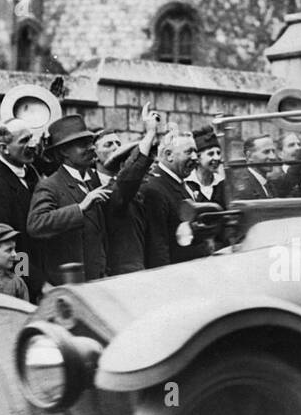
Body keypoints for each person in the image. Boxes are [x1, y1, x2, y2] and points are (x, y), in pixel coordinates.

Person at [27, 114, 113, 283]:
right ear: (63, 151)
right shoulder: (50, 185)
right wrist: (80, 208)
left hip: (98, 280)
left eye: (90, 143)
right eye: (82, 144)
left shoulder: (91, 181)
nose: (91, 148)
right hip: (70, 282)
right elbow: (35, 224)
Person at [0, 118, 44, 299]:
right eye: (24, 141)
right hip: (26, 284)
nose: (32, 145)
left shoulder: (31, 173)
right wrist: (37, 283)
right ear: (3, 148)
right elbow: (9, 247)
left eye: (31, 138)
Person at [102, 107, 161, 275]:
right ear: (124, 166)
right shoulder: (114, 193)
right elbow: (130, 176)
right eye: (144, 165)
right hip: (124, 278)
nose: (148, 168)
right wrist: (150, 133)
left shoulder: (140, 195)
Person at [141, 128, 207, 267]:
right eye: (189, 152)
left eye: (196, 152)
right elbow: (158, 248)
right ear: (169, 155)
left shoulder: (183, 183)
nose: (195, 157)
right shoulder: (154, 188)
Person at [186, 125, 226, 206]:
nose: (217, 157)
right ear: (197, 157)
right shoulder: (186, 184)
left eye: (218, 153)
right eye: (211, 154)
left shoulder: (223, 184)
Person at [228, 133, 276, 200]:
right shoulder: (244, 188)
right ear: (249, 156)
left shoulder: (268, 183)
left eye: (273, 151)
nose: (273, 157)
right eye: (266, 152)